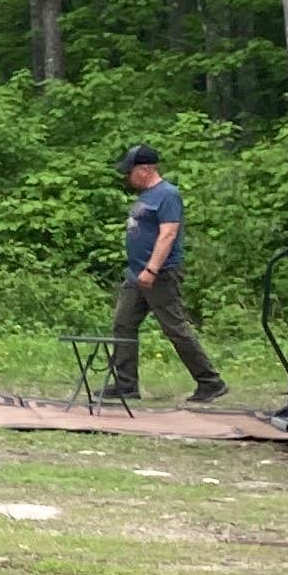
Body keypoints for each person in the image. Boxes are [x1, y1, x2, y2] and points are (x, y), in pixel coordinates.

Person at [111, 144, 227, 405]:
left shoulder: (167, 195)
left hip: (159, 274)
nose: (127, 177)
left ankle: (210, 381)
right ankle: (125, 384)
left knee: (174, 327)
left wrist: (152, 268)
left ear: (146, 169)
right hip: (135, 274)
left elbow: (168, 234)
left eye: (130, 172)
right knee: (123, 323)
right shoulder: (147, 196)